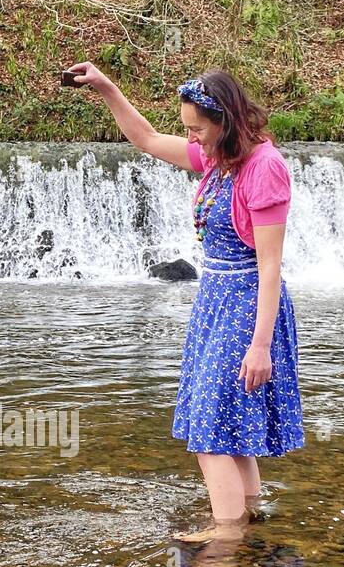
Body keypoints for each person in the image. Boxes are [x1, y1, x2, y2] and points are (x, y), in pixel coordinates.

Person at [66, 64, 305, 542]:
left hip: (247, 305)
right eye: (188, 129)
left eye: (197, 128)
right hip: (215, 302)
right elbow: (149, 140)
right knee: (228, 422)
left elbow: (270, 267)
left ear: (226, 121)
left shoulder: (264, 168)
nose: (191, 137)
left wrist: (260, 347)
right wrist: (107, 87)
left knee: (210, 429)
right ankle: (251, 521)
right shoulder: (220, 158)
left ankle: (226, 533)